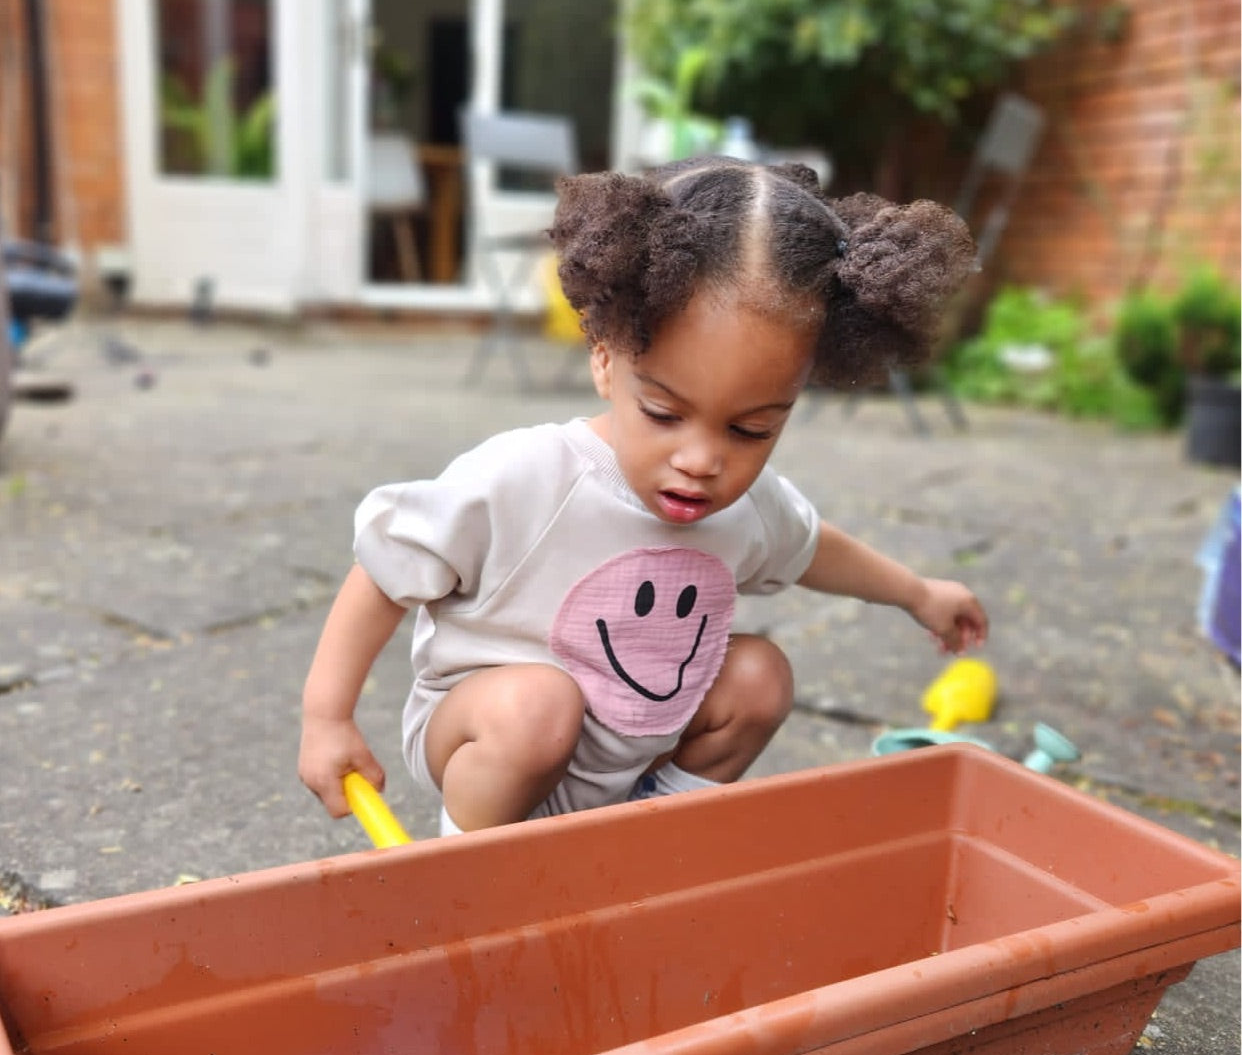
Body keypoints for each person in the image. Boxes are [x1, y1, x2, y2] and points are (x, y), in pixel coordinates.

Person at [299, 156, 988, 836]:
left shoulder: (747, 508)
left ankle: (645, 827)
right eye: (663, 412)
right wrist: (328, 718)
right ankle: (475, 862)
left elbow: (812, 547)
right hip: (491, 736)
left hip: (632, 749)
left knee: (760, 677)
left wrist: (917, 593)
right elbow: (386, 569)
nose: (701, 461)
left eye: (751, 428)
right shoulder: (526, 477)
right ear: (604, 353)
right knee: (538, 707)